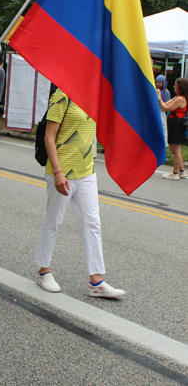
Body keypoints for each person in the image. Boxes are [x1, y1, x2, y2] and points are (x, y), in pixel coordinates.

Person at [35, 89, 125, 298]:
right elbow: (49, 137)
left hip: (86, 172)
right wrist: (57, 172)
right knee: (54, 221)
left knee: (92, 223)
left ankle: (97, 280)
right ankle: (43, 271)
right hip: (62, 171)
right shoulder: (62, 96)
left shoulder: (94, 97)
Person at [157, 77, 188, 180]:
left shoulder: (180, 99)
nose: (174, 86)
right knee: (173, 148)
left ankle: (175, 173)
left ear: (181, 87)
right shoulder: (178, 97)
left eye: (176, 85)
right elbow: (164, 105)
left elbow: (165, 108)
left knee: (176, 150)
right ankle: (182, 171)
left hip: (176, 125)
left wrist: (159, 97)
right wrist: (160, 99)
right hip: (174, 124)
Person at [156, 74, 170, 146]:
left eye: (160, 83)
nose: (158, 84)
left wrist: (159, 96)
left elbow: (165, 104)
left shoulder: (165, 92)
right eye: (157, 82)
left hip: (161, 111)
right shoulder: (155, 89)